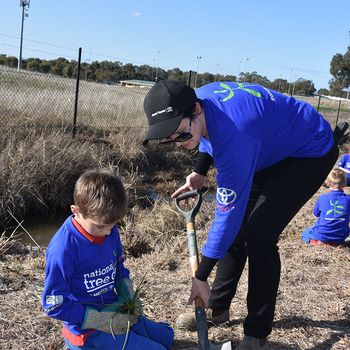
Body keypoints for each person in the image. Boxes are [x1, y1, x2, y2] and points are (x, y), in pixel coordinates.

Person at [142, 80, 339, 350]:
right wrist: (200, 170)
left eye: (181, 136)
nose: (177, 144)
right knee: (238, 234)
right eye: (170, 139)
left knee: (259, 235)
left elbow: (227, 216)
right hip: (267, 145)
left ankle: (256, 334)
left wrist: (200, 277)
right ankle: (218, 310)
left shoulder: (236, 135)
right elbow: (208, 135)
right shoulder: (197, 103)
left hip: (308, 151)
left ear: (196, 110)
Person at [42, 169, 174, 350]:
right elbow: (53, 305)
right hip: (87, 331)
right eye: (100, 226)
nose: (108, 232)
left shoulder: (110, 230)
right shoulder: (63, 249)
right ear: (76, 211)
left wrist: (127, 295)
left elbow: (119, 267)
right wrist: (98, 320)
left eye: (114, 224)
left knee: (167, 338)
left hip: (116, 312)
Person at [301, 168, 350, 246]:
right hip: (340, 236)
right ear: (344, 184)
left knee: (305, 232)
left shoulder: (322, 197)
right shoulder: (348, 199)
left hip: (322, 234)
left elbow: (316, 213)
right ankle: (334, 242)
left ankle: (314, 242)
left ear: (328, 183)